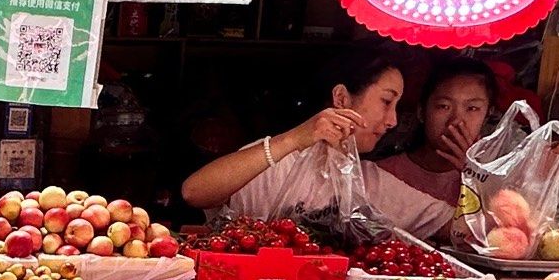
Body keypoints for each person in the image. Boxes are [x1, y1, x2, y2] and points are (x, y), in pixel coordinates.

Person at [178, 50, 455, 236]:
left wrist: (473, 168)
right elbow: (194, 192)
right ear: (341, 98)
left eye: (397, 106)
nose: (393, 120)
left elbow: (456, 228)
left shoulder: (370, 182)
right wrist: (294, 139)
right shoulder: (276, 162)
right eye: (386, 101)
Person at [372, 61, 498, 212]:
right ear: (421, 112)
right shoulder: (381, 174)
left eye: (472, 108)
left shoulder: (495, 183)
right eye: (444, 106)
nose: (456, 121)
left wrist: (474, 177)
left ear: (487, 115)